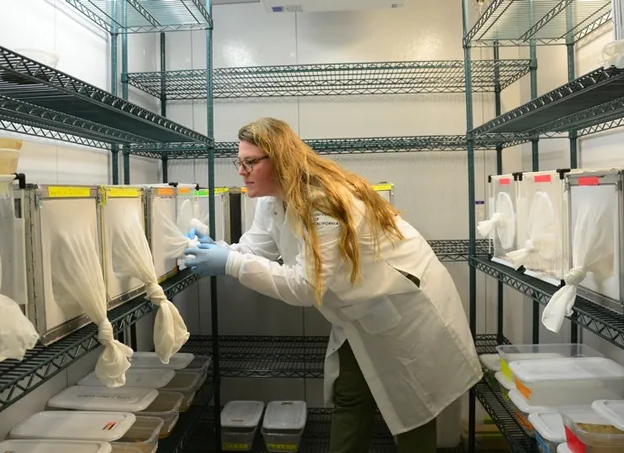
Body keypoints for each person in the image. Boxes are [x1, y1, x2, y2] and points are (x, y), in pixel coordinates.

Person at [184, 117, 482, 453]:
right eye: (239, 161)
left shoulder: (321, 202)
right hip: (364, 311)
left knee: (416, 408)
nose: (241, 170)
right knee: (350, 394)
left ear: (281, 159)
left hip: (407, 309)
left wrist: (230, 263)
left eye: (250, 162)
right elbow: (254, 249)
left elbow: (308, 287)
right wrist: (223, 250)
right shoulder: (270, 200)